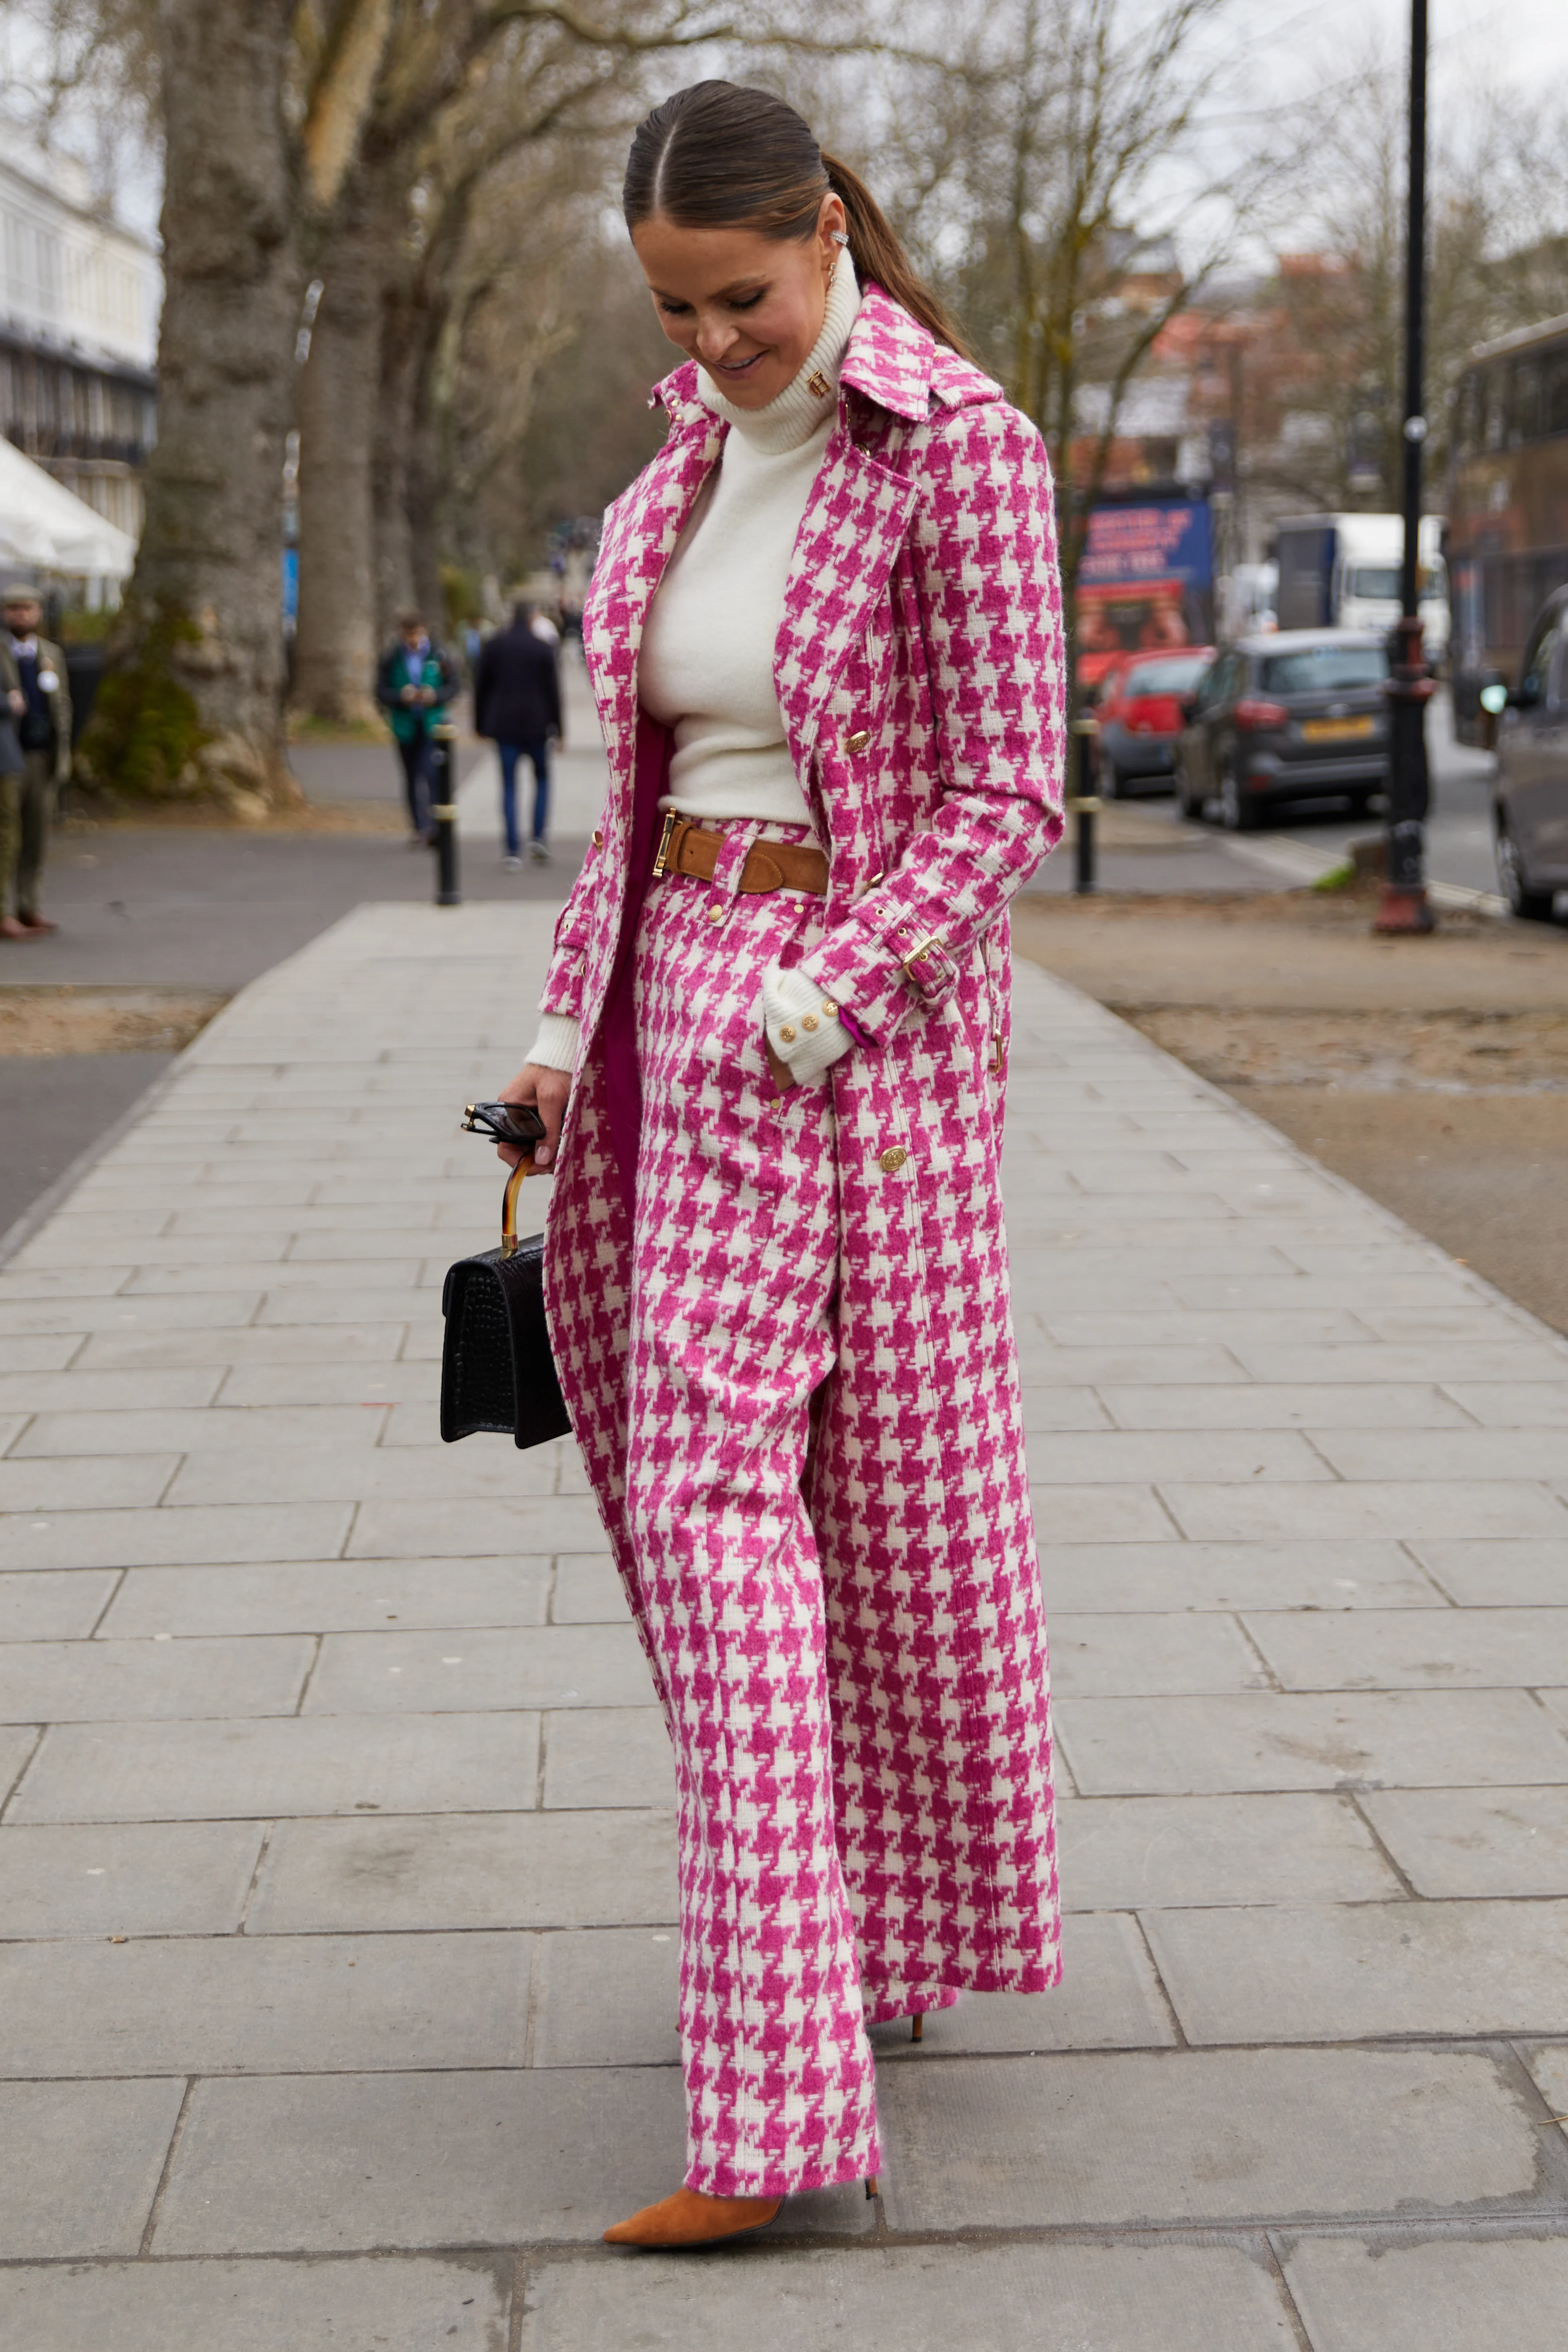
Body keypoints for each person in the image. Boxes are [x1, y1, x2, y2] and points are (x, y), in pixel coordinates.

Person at [495, 81, 1065, 2249]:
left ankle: (775, 2103)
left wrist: (834, 986)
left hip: (855, 1039)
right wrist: (559, 1041)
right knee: (738, 1506)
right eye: (676, 308)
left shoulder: (964, 450)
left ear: (827, 232)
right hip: (671, 1018)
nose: (716, 343)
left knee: (787, 1516)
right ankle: (854, 1956)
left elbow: (1014, 786)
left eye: (741, 298)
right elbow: (622, 809)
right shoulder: (672, 480)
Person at [0, 586, 72, 941]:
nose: (20, 615)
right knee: (6, 835)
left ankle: (29, 904)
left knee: (36, 833)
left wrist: (63, 755)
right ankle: (2, 911)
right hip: (7, 758)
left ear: (39, 613)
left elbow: (62, 705)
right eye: (13, 609)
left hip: (43, 755)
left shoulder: (51, 654)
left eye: (27, 609)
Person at [473, 602, 563, 868]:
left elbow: (481, 687)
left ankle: (512, 848)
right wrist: (559, 728)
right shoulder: (542, 648)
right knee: (542, 780)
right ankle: (538, 836)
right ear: (533, 618)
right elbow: (553, 692)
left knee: (510, 785)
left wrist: (480, 724)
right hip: (537, 724)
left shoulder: (494, 646)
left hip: (505, 725)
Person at [375, 611, 458, 844]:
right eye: (409, 634)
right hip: (405, 724)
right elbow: (381, 691)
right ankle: (419, 826)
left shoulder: (439, 654)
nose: (413, 639)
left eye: (417, 633)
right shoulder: (392, 658)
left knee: (430, 772)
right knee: (412, 775)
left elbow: (453, 686)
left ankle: (435, 824)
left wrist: (436, 696)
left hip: (433, 725)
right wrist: (402, 696)